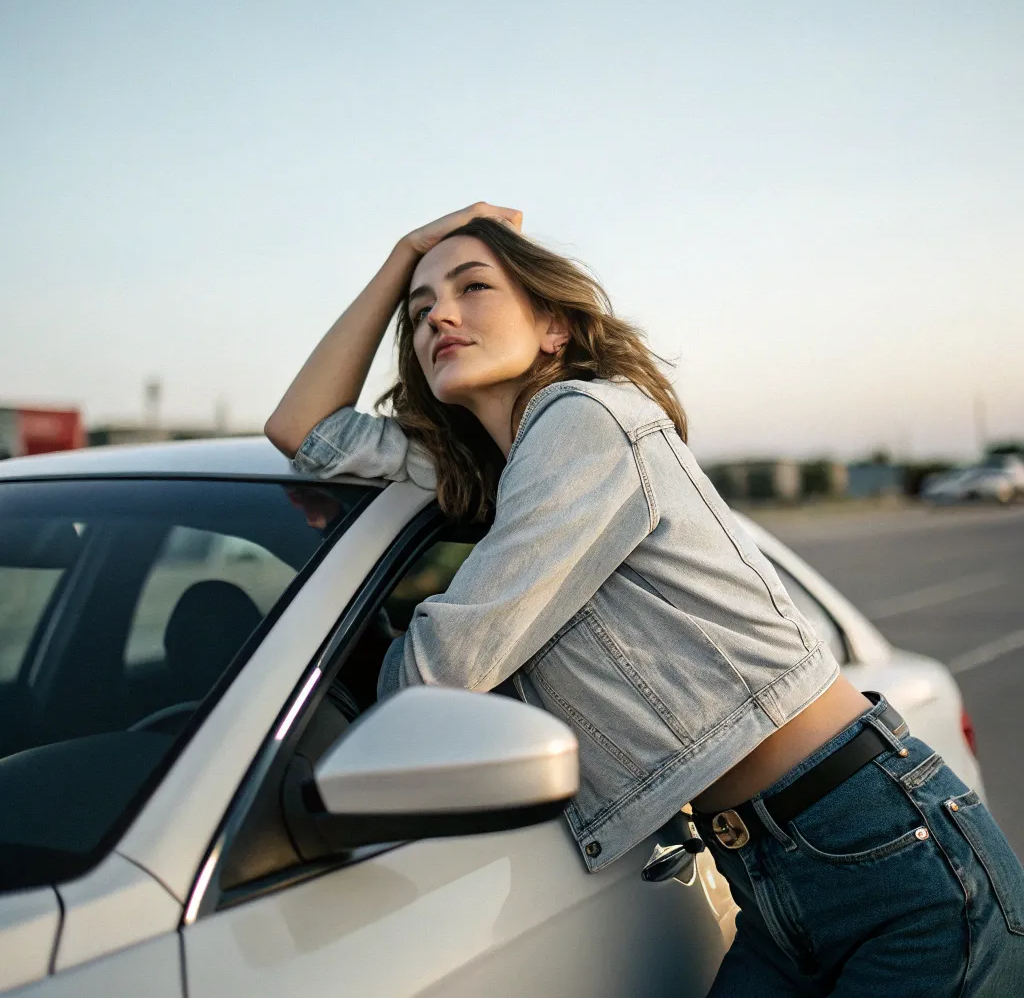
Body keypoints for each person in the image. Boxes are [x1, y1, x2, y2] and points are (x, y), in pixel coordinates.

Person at [266, 202, 1024, 995]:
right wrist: (402, 254)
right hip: (773, 873)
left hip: (889, 863)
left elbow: (436, 673)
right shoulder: (501, 475)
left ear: (554, 327)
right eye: (419, 312)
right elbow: (303, 429)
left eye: (472, 287)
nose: (439, 317)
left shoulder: (582, 422)